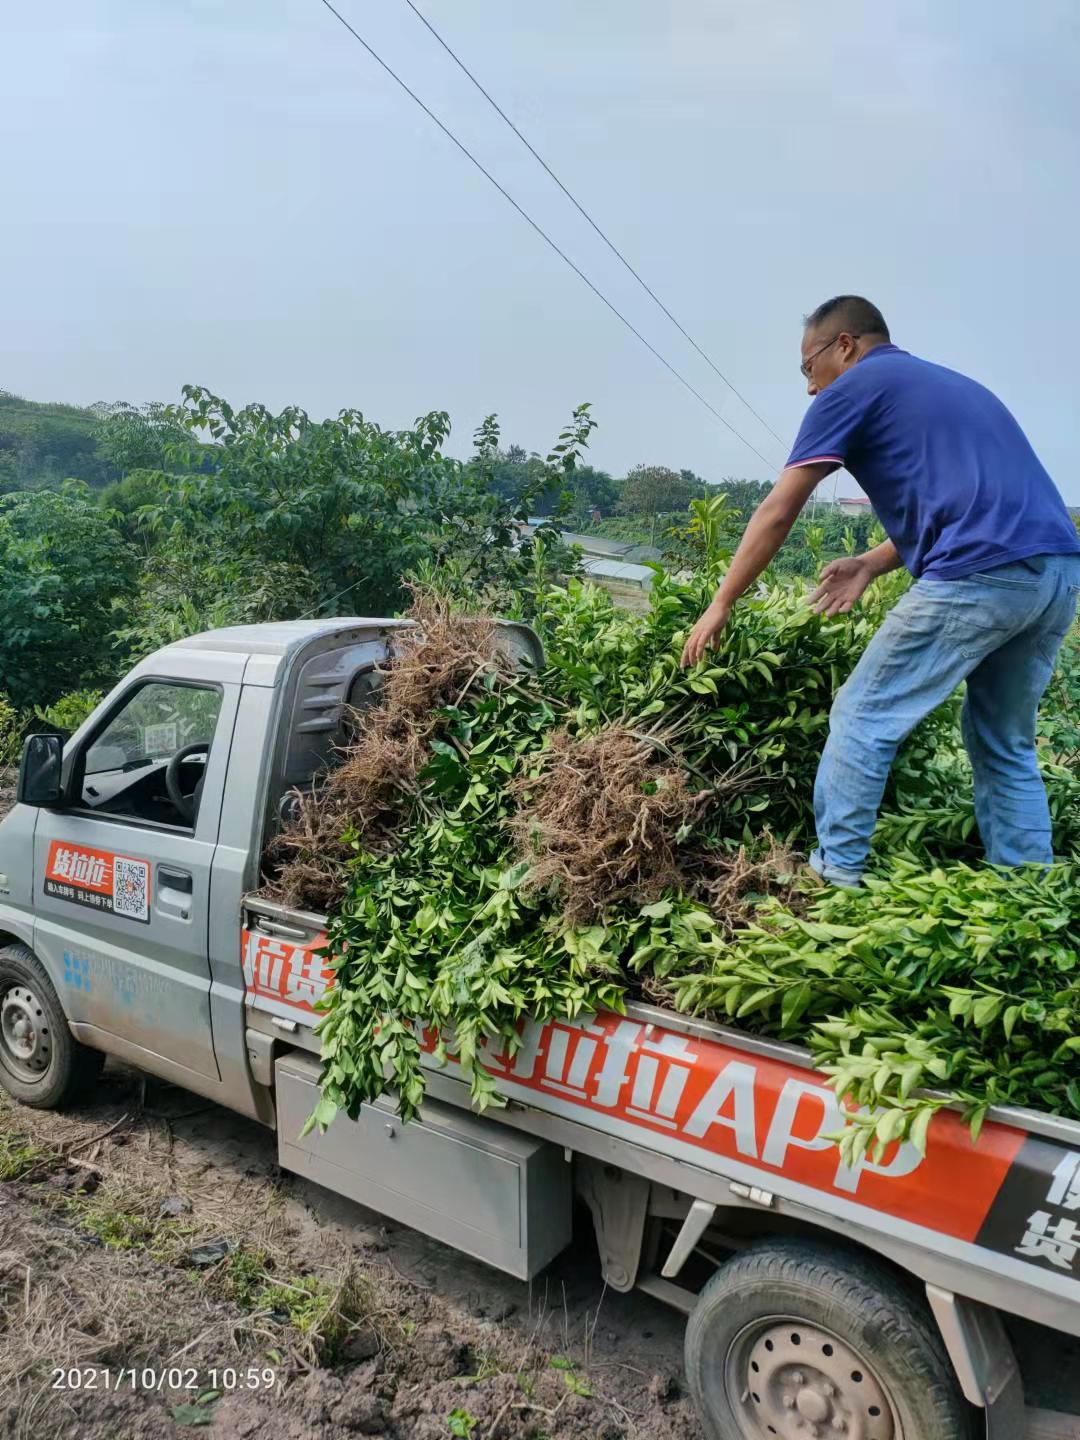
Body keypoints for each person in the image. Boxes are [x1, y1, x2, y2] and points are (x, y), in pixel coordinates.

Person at [680, 295, 1080, 887]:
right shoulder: (953, 387)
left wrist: (722, 602)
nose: (810, 388)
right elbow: (973, 508)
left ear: (844, 346)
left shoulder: (852, 389)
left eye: (807, 367)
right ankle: (1028, 897)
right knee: (1005, 742)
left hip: (978, 575)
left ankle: (834, 880)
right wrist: (870, 563)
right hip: (1055, 574)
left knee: (863, 715)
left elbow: (779, 509)